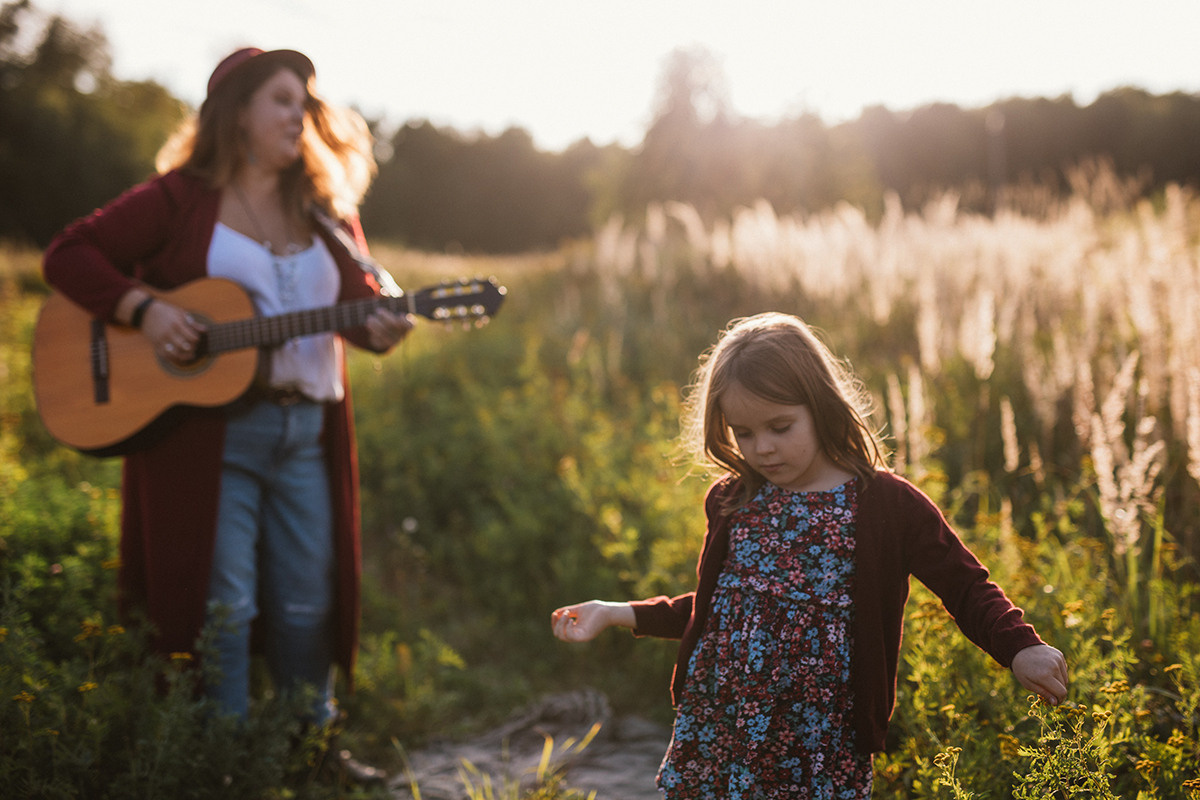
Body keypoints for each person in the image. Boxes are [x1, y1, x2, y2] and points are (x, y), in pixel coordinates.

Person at [42, 46, 410, 776]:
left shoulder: (329, 212)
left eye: (304, 101)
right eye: (280, 99)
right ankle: (224, 757)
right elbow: (69, 255)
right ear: (235, 112)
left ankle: (310, 748)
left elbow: (360, 318)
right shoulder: (179, 199)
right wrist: (142, 310)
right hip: (208, 440)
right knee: (223, 607)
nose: (298, 114)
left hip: (306, 432)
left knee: (309, 603)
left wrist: (381, 328)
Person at [551, 312, 1069, 798]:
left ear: (821, 409)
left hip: (819, 741)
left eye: (780, 428)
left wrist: (1019, 646)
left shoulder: (884, 504)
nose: (763, 449)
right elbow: (723, 609)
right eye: (744, 432)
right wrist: (615, 613)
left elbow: (965, 585)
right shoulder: (733, 501)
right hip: (718, 729)